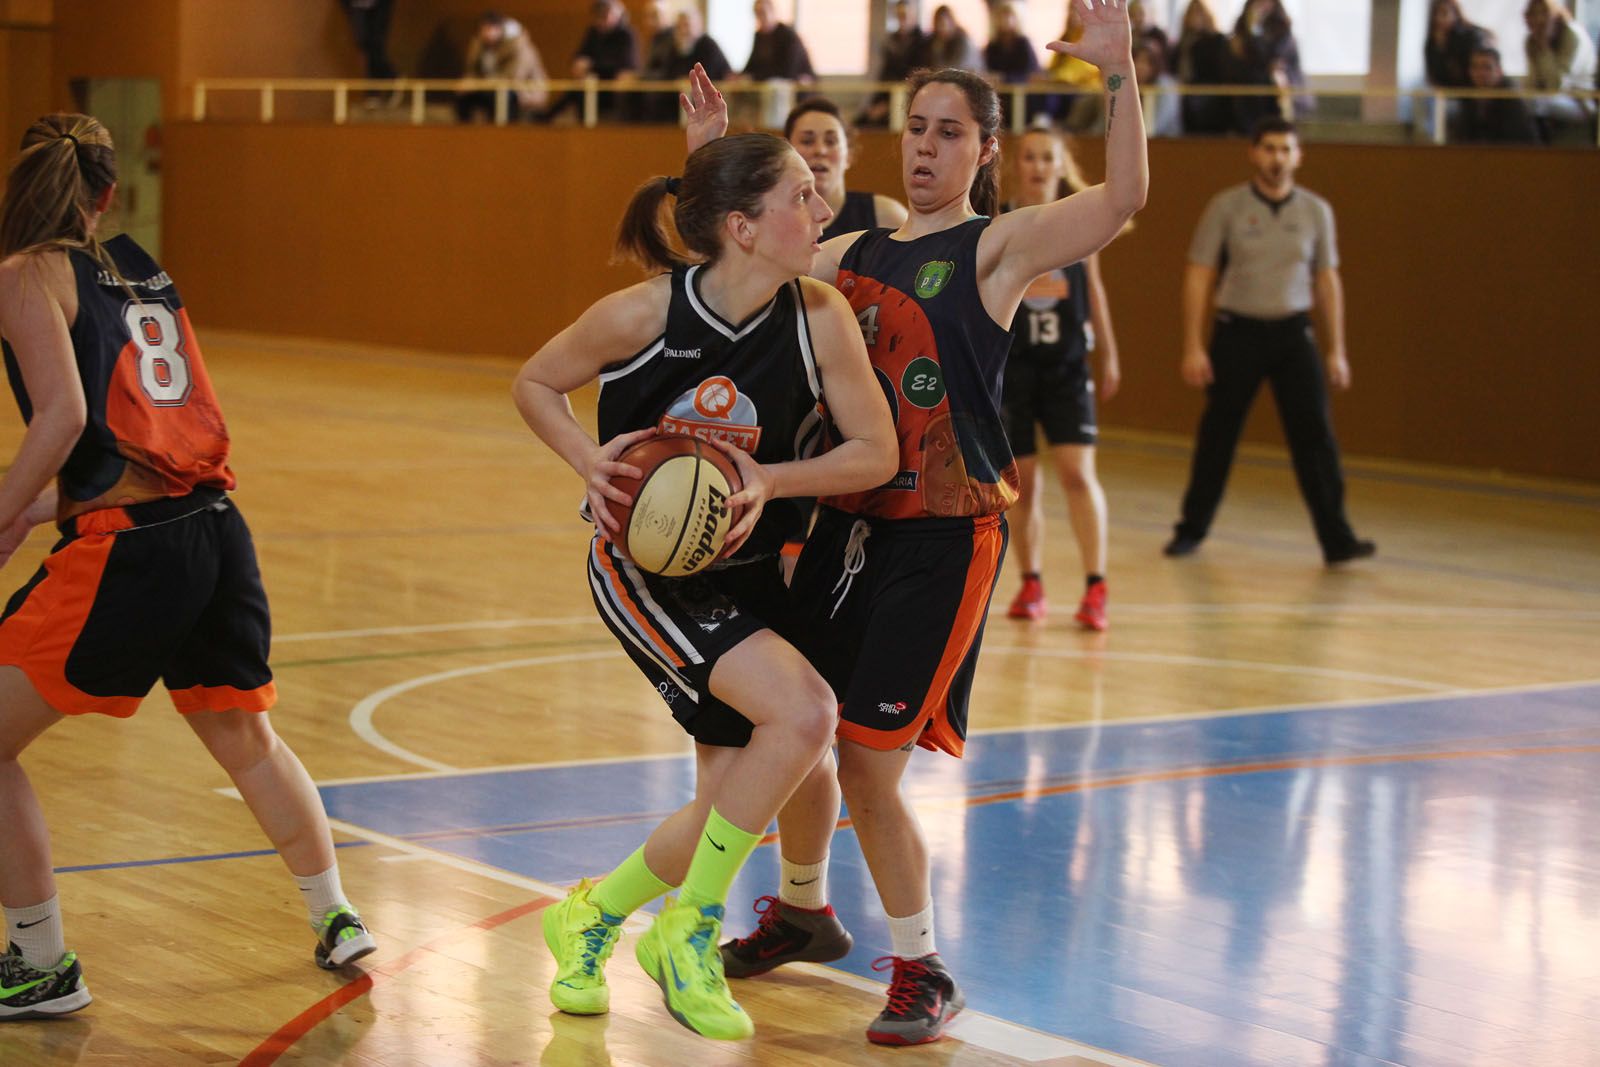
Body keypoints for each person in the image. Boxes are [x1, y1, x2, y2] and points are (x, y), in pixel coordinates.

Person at [689, 0, 1148, 1042]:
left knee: (864, 759)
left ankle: (924, 965)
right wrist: (713, 163)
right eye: (917, 125)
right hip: (848, 524)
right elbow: (751, 261)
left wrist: (1117, 75)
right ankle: (803, 908)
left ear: (986, 150)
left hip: (943, 535)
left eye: (950, 130)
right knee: (796, 725)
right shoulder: (853, 245)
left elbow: (1124, 197)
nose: (929, 144)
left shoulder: (1000, 246)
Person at [513, 119, 898, 1040]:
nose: (821, 205)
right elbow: (534, 381)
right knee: (805, 715)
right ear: (742, 226)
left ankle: (591, 914)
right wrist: (586, 459)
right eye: (800, 194)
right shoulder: (644, 315)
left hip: (754, 567)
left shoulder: (818, 316)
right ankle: (686, 931)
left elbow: (875, 451)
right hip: (648, 571)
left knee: (731, 798)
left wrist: (772, 479)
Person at [0, 114, 376, 1020]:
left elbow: (60, 420)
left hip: (132, 552)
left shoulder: (23, 275)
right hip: (212, 530)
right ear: (106, 194)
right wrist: (36, 512)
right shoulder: (140, 270)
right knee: (248, 741)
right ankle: (337, 916)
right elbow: (140, 447)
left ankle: (38, 959)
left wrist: (7, 507)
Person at [1164, 117, 1374, 565]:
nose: (1277, 157)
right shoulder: (1227, 207)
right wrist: (1194, 345)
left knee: (1315, 437)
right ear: (1253, 153)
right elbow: (1199, 275)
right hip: (1237, 331)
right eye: (1269, 148)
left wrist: (1336, 349)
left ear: (1298, 156)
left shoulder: (1316, 211)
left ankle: (1337, 539)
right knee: (1218, 435)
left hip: (1294, 334)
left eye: (1285, 149)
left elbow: (1327, 279)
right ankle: (1191, 529)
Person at [1001, 129, 1125, 631]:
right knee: (1024, 485)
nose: (1037, 165)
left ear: (1060, 163)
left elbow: (1093, 289)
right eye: (1029, 157)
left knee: (1077, 473)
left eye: (1046, 157)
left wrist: (1111, 354)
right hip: (1015, 369)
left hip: (1067, 367)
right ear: (1018, 164)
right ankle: (1031, 582)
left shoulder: (1080, 218)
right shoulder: (1004, 221)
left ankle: (1096, 585)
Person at [547, 0, 639, 123]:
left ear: (617, 14)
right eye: (599, 16)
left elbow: (625, 66)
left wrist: (591, 66)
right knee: (577, 90)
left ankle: (546, 117)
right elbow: (580, 54)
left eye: (606, 15)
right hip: (593, 82)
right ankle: (547, 118)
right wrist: (578, 63)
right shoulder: (593, 32)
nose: (602, 21)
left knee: (581, 91)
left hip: (612, 87)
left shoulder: (626, 35)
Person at [455, 11, 548, 123]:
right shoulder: (478, 46)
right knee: (464, 96)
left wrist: (479, 84)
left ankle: (504, 133)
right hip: (489, 88)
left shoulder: (518, 46)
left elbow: (513, 77)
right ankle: (465, 134)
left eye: (491, 29)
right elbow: (472, 70)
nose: (488, 33)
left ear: (500, 29)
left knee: (503, 96)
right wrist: (468, 82)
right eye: (484, 29)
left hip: (520, 90)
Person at [1522, 0, 1597, 136]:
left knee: (1536, 104)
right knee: (1522, 103)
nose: (1539, 20)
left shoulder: (1573, 36)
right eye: (1534, 15)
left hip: (1580, 101)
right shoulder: (1531, 41)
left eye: (1544, 14)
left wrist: (1544, 48)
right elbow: (1532, 82)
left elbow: (1557, 84)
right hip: (1548, 99)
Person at [859, 1, 932, 128]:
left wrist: (888, 104)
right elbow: (884, 76)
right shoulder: (891, 43)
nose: (902, 19)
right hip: (887, 96)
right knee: (861, 121)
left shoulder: (924, 43)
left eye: (905, 15)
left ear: (914, 16)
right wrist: (877, 103)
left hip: (909, 99)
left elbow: (919, 76)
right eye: (899, 15)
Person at [1452, 46, 1543, 143]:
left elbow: (1517, 138)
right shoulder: (1468, 95)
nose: (1480, 73)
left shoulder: (1510, 97)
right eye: (1475, 67)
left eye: (1487, 67)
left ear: (1499, 71)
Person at [1172, 0, 1233, 135]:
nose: (1195, 17)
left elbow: (1223, 73)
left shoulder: (1218, 40)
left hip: (1211, 98)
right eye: (1192, 13)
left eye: (1199, 12)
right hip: (1187, 96)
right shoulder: (1183, 44)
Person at [742, 0, 816, 84]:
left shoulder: (788, 35)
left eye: (763, 13)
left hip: (794, 83)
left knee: (774, 84)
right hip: (768, 82)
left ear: (772, 12)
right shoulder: (759, 36)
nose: (761, 17)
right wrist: (742, 76)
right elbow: (752, 63)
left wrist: (755, 76)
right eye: (757, 14)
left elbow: (787, 70)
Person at [1425, 0, 1492, 90]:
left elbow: (1474, 68)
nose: (1439, 19)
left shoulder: (1469, 35)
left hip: (1471, 90)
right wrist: (1440, 46)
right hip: (1447, 92)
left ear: (1455, 14)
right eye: (1435, 14)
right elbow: (1433, 75)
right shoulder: (1433, 42)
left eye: (1444, 13)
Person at [927, 5, 983, 72]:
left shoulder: (962, 42)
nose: (941, 28)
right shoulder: (935, 41)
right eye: (938, 24)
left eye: (943, 24)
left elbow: (954, 70)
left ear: (952, 23)